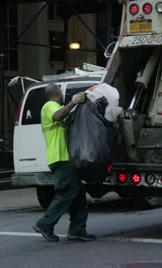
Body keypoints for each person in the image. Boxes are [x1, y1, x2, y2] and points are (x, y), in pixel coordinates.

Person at [32, 83, 96, 243]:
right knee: (67, 192)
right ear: (58, 93)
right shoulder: (49, 106)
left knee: (78, 194)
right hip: (59, 157)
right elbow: (58, 116)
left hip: (66, 158)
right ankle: (45, 224)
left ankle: (77, 229)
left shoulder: (56, 107)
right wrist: (73, 101)